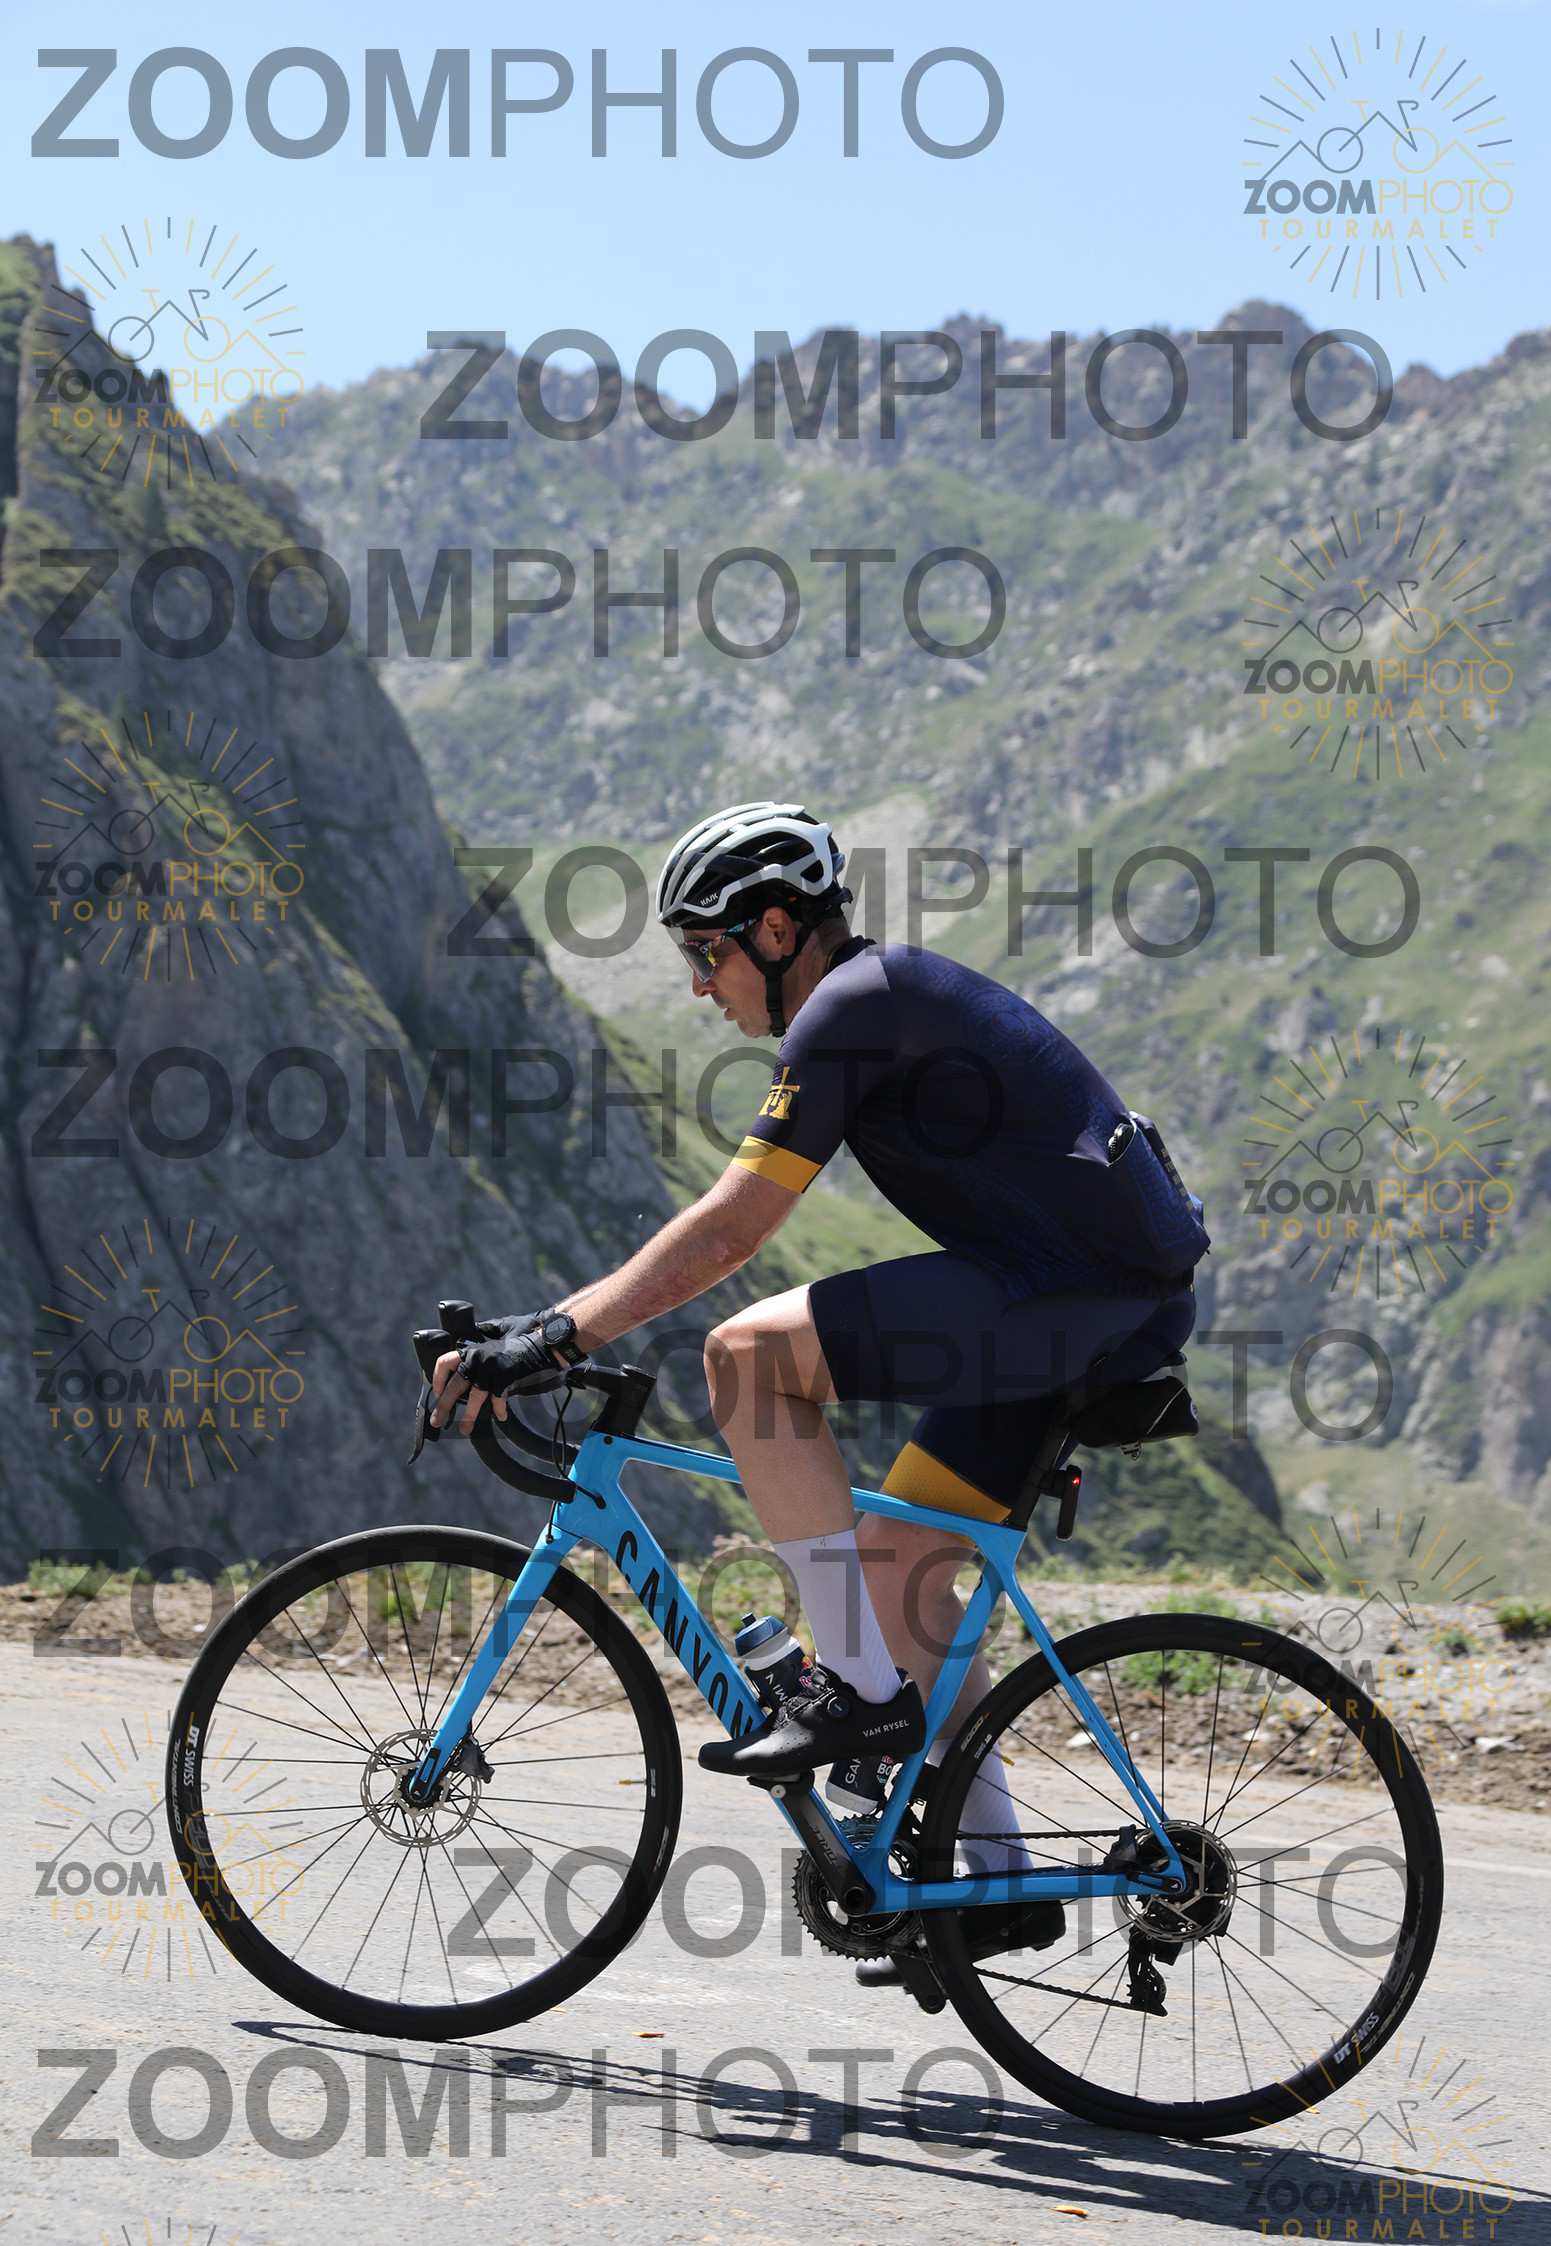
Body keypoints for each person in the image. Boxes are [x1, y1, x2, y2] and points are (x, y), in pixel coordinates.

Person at [429, 801, 1208, 1979]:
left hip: (1076, 1296)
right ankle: (995, 1885)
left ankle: (852, 1695)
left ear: (778, 928)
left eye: (707, 951)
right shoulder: (870, 1001)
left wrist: (553, 1336)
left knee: (745, 1360)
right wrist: (548, 1329)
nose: (700, 985)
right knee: (899, 1580)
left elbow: (730, 1231)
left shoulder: (852, 1006)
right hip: (1086, 1292)